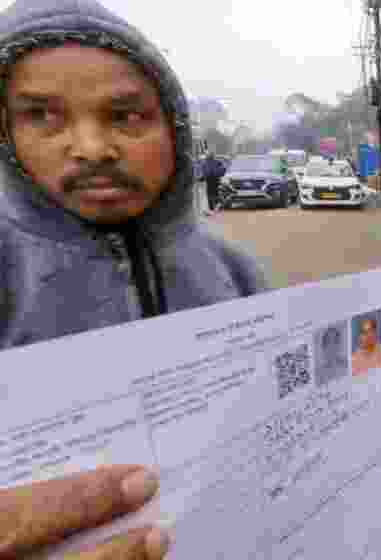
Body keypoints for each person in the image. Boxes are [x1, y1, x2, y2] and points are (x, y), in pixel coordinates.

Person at [0, 0, 268, 556]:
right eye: (42, 115)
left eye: (126, 116)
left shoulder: (232, 270)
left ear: (173, 126)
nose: (93, 149)